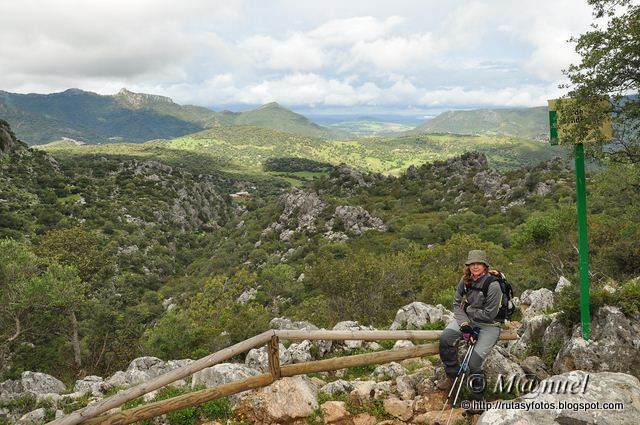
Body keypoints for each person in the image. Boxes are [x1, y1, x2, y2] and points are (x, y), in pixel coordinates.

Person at [437, 249, 503, 405]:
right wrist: (465, 324)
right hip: (468, 320)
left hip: (489, 326)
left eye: (478, 263)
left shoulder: (493, 285)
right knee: (446, 339)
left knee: (474, 363)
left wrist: (468, 310)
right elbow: (456, 303)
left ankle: (477, 400)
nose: (475, 266)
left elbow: (489, 315)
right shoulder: (466, 280)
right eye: (472, 263)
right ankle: (453, 378)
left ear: (485, 265)